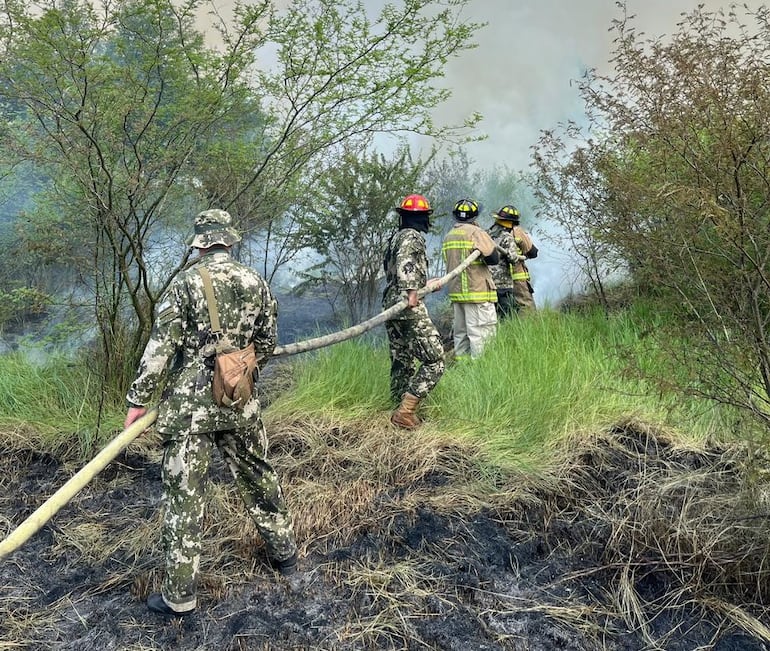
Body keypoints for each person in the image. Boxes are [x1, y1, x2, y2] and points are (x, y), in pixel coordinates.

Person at [123, 209, 297, 617]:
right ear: (230, 242)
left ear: (199, 244)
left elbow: (160, 348)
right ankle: (286, 556)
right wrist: (239, 374)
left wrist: (138, 400)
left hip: (190, 411)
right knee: (259, 477)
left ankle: (180, 596)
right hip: (240, 403)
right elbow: (267, 341)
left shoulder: (184, 284)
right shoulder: (256, 281)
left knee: (185, 497)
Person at [382, 194, 446, 429]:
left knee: (403, 360)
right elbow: (406, 264)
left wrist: (425, 286)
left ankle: (395, 408)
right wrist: (412, 293)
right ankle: (405, 413)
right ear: (423, 218)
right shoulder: (412, 236)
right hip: (406, 304)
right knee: (435, 360)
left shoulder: (396, 236)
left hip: (391, 303)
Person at [441, 199, 500, 360]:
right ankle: (483, 370)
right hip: (477, 293)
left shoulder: (449, 236)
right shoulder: (476, 233)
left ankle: (464, 368)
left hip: (457, 295)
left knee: (461, 335)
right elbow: (494, 258)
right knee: (481, 335)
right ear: (474, 216)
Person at [487, 204, 528, 319]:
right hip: (502, 285)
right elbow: (513, 259)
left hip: (487, 284)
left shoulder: (486, 234)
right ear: (512, 223)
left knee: (490, 318)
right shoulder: (507, 237)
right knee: (506, 317)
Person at [508, 206, 539, 312]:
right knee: (526, 309)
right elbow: (533, 252)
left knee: (504, 310)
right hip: (517, 279)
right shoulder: (516, 231)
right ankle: (529, 328)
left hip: (497, 281)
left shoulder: (491, 232)